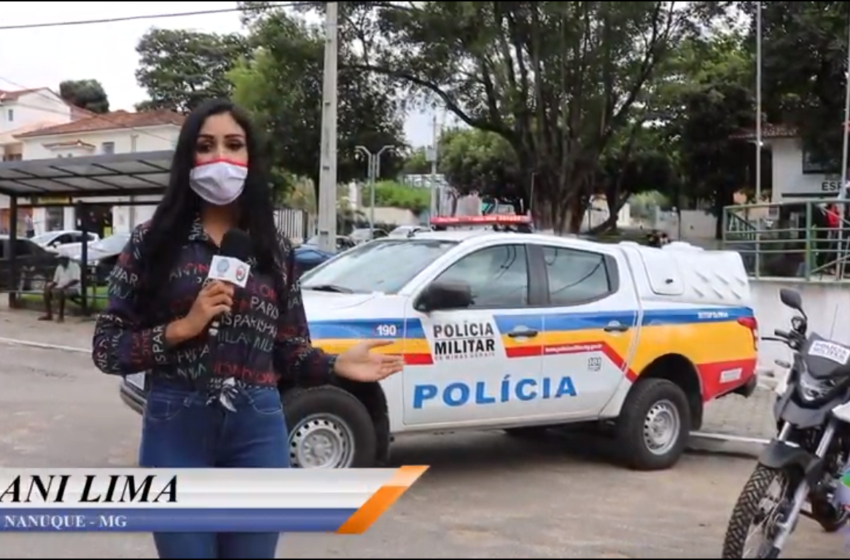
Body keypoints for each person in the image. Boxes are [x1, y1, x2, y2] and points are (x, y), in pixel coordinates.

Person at [90, 99, 405, 560]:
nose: (220, 158)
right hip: (177, 424)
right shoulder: (152, 241)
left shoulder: (275, 249)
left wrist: (337, 364)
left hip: (257, 428)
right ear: (187, 159)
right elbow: (105, 348)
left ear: (249, 159)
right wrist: (182, 328)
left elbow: (289, 352)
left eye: (233, 145)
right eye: (206, 146)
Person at [39, 255, 81, 323]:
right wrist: (50, 286)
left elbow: (76, 280)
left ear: (67, 259)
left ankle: (61, 316)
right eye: (60, 259)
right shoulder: (59, 267)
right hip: (60, 287)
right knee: (47, 291)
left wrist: (65, 286)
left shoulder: (74, 266)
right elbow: (55, 281)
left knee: (61, 292)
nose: (60, 261)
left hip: (73, 289)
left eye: (62, 259)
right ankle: (49, 314)